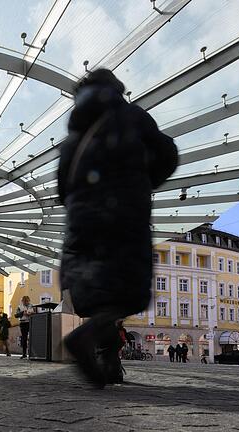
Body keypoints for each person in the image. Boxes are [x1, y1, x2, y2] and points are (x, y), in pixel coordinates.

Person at [59, 69, 178, 387]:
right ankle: (86, 338)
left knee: (99, 293)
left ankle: (108, 362)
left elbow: (61, 188)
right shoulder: (132, 116)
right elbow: (167, 154)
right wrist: (142, 179)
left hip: (81, 221)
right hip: (123, 212)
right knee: (127, 293)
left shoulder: (73, 137)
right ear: (116, 89)